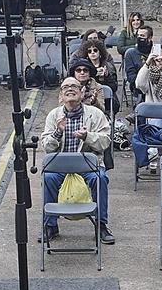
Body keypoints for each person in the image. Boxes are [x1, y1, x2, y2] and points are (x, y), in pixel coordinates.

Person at [36, 77, 115, 245]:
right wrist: (58, 131)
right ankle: (50, 226)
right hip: (60, 166)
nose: (69, 89)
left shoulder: (95, 114)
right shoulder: (54, 115)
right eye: (65, 87)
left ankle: (101, 225)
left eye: (74, 86)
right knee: (48, 178)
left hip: (87, 165)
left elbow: (106, 141)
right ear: (61, 95)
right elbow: (47, 147)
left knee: (99, 179)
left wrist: (88, 136)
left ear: (81, 93)